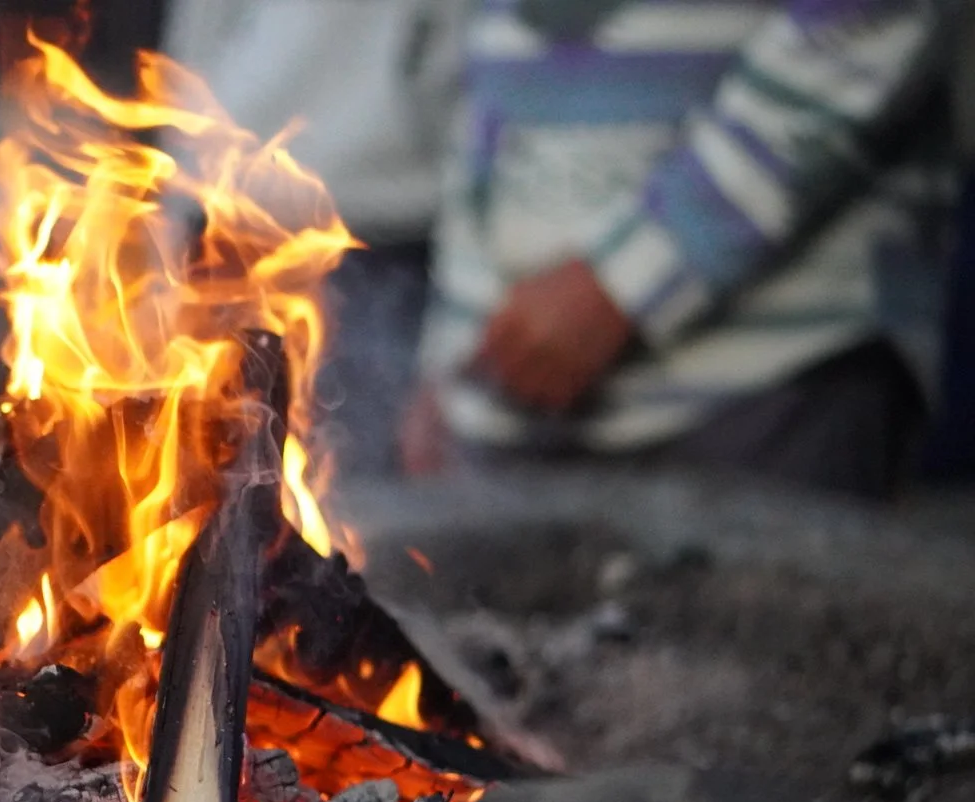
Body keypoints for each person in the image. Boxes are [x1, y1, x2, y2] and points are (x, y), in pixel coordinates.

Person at [403, 0, 957, 499]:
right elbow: (487, 74)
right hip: (507, 396)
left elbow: (873, 20)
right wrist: (452, 344)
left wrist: (630, 279)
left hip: (766, 383)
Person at [164, 0, 460, 475]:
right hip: (223, 224)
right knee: (208, 492)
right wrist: (182, 200)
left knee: (346, 500)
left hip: (377, 241)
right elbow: (194, 39)